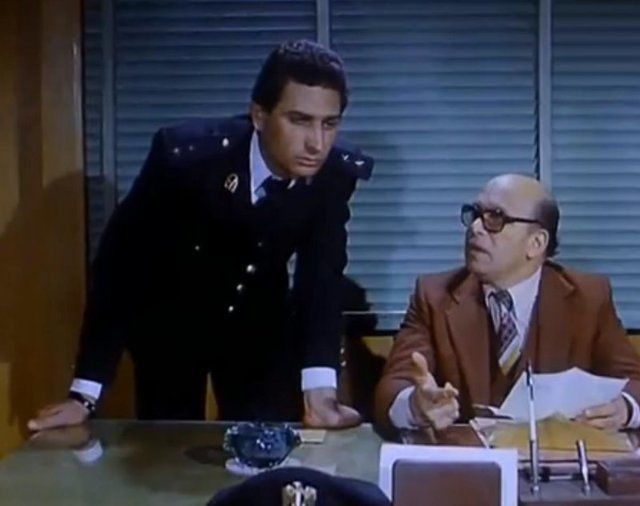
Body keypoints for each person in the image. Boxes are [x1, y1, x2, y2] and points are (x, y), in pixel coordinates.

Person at [29, 39, 373, 431]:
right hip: (170, 320)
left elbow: (321, 279)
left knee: (266, 444)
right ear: (259, 116)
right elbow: (119, 270)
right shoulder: (187, 160)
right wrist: (84, 394)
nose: (317, 143)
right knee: (167, 447)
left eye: (329, 123)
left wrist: (320, 392)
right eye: (299, 120)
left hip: (257, 323)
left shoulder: (333, 175)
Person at [374, 174, 640, 433]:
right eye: (475, 214)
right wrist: (414, 406)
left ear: (536, 243)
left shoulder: (588, 298)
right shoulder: (434, 296)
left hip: (552, 457)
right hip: (469, 459)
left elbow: (634, 382)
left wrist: (624, 408)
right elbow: (392, 388)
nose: (475, 228)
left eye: (495, 218)